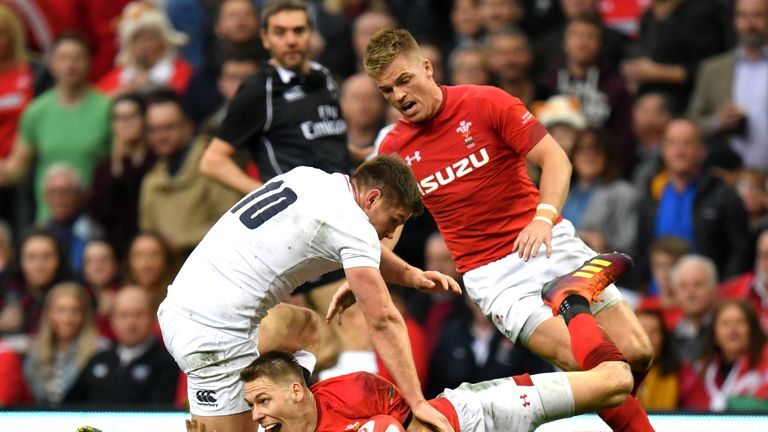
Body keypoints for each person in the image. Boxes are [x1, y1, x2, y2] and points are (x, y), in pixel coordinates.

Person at [361, 28, 653, 432]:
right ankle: (571, 300)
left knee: (637, 354)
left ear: (427, 68)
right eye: (387, 90)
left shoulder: (485, 101)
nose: (399, 96)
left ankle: (569, 297)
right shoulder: (393, 150)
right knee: (589, 363)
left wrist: (542, 217)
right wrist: (364, 268)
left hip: (547, 239)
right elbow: (385, 224)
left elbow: (556, 160)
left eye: (404, 80)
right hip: (493, 276)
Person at [158, 155, 460, 432]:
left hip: (182, 305)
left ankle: (292, 416)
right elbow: (383, 320)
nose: (392, 234)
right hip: (215, 336)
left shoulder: (310, 178)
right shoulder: (352, 224)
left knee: (308, 329)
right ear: (372, 198)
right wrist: (418, 402)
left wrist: (409, 275)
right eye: (394, 220)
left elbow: (365, 252)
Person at [239, 255, 639, 432]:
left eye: (261, 401)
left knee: (616, 381)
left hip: (480, 414)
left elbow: (413, 424)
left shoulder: (353, 388)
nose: (256, 416)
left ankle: (570, 300)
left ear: (295, 391)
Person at [200, 0, 350, 196]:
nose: (291, 40)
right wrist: (268, 196)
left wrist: (358, 153)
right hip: (298, 217)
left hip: (344, 205)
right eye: (280, 32)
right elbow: (212, 162)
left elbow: (321, 135)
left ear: (311, 33)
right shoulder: (260, 89)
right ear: (265, 38)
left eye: (298, 30)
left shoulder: (323, 76)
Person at [0, 33, 111, 223]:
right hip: (48, 220)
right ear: (51, 65)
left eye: (77, 58)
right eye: (63, 58)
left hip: (96, 219)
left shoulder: (107, 108)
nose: (70, 65)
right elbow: (17, 167)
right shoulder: (36, 111)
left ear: (89, 63)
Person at [687, 0, 768, 171]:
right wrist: (716, 121)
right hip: (726, 176)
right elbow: (692, 122)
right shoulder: (713, 69)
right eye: (743, 16)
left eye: (758, 15)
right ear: (734, 21)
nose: (750, 23)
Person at [64, 285, 179, 405]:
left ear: (153, 318)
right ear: (112, 321)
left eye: (138, 315)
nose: (130, 323)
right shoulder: (98, 359)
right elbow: (66, 407)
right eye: (124, 315)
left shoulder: (167, 364)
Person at [23, 282, 107, 406]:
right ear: (48, 314)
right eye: (60, 311)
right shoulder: (36, 351)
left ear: (85, 315)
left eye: (75, 311)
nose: (67, 319)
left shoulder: (100, 350)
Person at [679, 299, 768, 411]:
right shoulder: (701, 371)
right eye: (725, 323)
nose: (733, 329)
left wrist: (730, 403)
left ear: (752, 330)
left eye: (740, 322)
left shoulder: (766, 365)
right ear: (714, 334)